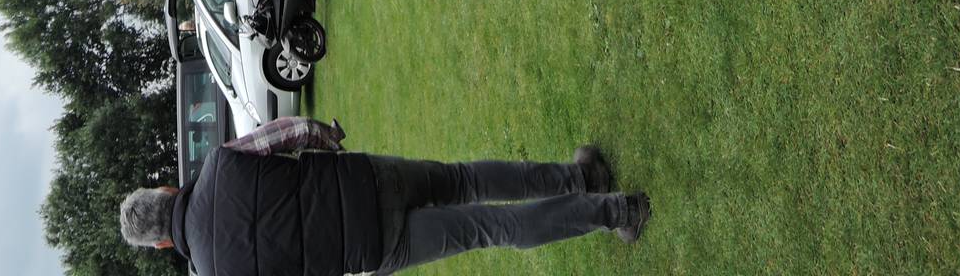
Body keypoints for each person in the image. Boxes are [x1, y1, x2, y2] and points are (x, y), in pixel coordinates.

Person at [118, 116, 652, 273]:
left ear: (162, 245)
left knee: (492, 229)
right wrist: (330, 140)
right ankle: (584, 178)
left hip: (373, 247)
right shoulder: (220, 163)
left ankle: (619, 211)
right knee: (466, 179)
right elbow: (293, 131)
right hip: (366, 178)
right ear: (166, 189)